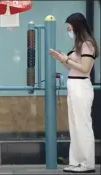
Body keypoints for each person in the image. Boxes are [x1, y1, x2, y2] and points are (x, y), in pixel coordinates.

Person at [49, 13, 99, 173]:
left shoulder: (87, 44)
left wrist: (67, 60)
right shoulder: (77, 45)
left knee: (83, 125)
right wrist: (62, 58)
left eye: (70, 28)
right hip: (74, 85)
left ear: (77, 26)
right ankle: (76, 161)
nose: (69, 31)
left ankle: (87, 163)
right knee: (75, 125)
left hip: (81, 86)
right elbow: (71, 66)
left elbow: (84, 69)